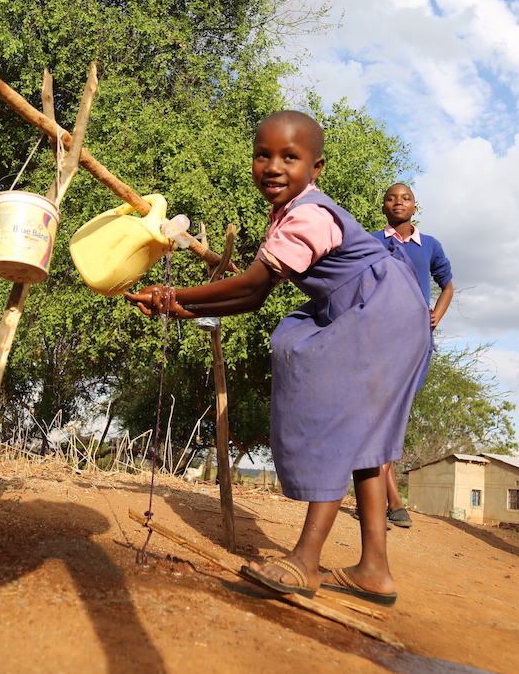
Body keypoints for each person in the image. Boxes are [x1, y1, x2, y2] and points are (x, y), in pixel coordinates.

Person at [125, 110, 432, 605]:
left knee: (338, 423)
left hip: (379, 316)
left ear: (317, 168)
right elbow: (253, 298)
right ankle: (375, 569)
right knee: (367, 441)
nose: (273, 166)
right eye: (262, 155)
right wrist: (181, 308)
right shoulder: (288, 216)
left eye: (290, 156)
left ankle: (305, 561)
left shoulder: (309, 215)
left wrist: (174, 289)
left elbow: (249, 283)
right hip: (388, 314)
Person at [369, 183, 454, 529]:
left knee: (395, 415)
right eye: (391, 198)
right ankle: (390, 500)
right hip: (377, 340)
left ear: (415, 208)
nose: (398, 202)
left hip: (416, 340)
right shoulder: (372, 241)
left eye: (405, 198)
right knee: (379, 415)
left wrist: (437, 313)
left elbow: (448, 283)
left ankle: (384, 499)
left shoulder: (430, 245)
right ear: (384, 207)